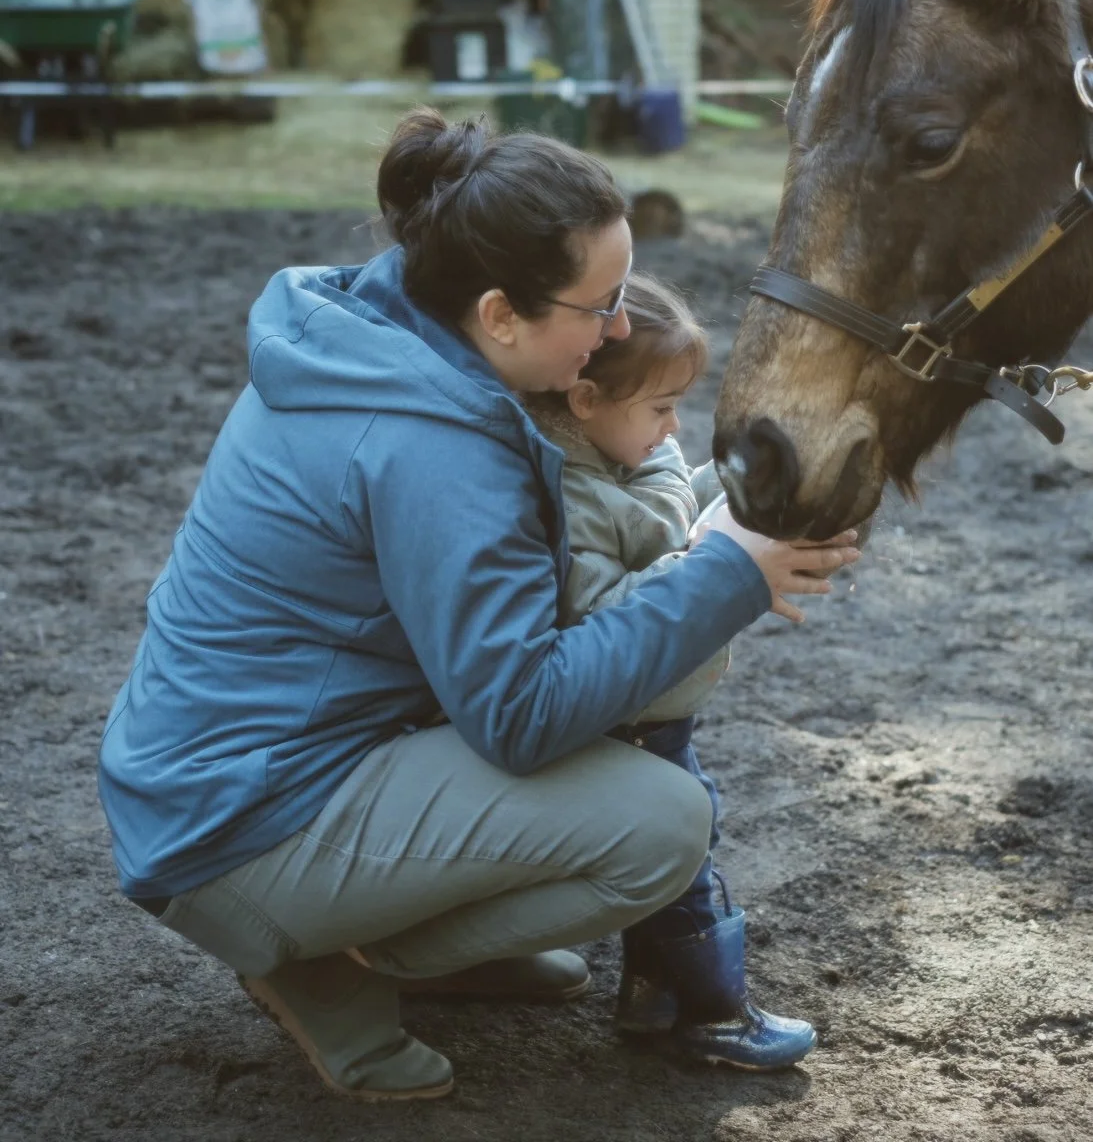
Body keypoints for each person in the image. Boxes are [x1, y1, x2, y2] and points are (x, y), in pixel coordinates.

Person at [97, 107, 860, 1102]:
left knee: (619, 743)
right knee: (660, 823)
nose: (621, 327)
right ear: (499, 312)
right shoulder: (434, 446)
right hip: (238, 826)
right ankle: (331, 952)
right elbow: (521, 710)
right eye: (599, 306)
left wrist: (707, 547)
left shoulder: (376, 337)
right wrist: (729, 571)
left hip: (226, 771)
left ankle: (399, 926)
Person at [525, 273, 819, 1069]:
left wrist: (738, 499)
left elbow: (666, 519)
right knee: (688, 860)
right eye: (659, 409)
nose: (673, 426)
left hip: (659, 707)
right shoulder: (571, 495)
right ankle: (713, 1012)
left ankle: (651, 997)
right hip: (625, 714)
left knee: (691, 838)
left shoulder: (624, 459)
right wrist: (709, 564)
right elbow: (598, 612)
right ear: (585, 402)